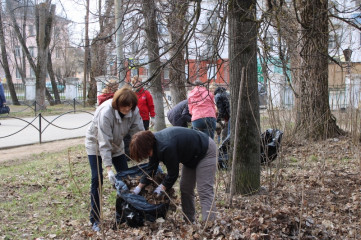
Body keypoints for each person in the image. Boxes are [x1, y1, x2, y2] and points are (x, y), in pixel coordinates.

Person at [85, 86, 144, 232]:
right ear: (117, 104)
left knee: (126, 178)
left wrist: (148, 153)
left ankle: (125, 213)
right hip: (96, 145)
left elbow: (140, 133)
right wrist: (109, 169)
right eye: (124, 106)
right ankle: (95, 219)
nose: (127, 110)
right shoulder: (106, 113)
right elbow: (104, 143)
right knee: (97, 179)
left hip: (117, 146)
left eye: (130, 106)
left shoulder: (133, 110)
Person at [130, 127, 218, 223]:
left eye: (147, 153)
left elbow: (173, 174)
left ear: (148, 145)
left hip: (206, 150)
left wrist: (162, 187)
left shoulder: (166, 146)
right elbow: (151, 168)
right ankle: (189, 221)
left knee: (204, 190)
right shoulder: (153, 144)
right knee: (185, 188)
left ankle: (210, 224)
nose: (148, 156)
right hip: (191, 157)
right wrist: (139, 187)